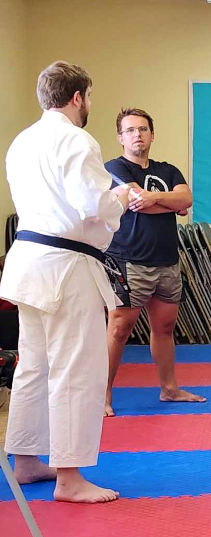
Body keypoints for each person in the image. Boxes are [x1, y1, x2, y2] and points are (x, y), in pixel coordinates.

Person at [1, 61, 131, 503]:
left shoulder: (22, 142)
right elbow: (91, 204)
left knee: (33, 366)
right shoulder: (75, 138)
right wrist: (120, 197)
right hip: (65, 266)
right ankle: (70, 478)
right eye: (89, 97)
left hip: (28, 263)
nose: (89, 105)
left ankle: (26, 460)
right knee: (76, 369)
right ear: (77, 98)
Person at [104, 107, 201, 417]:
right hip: (129, 259)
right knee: (120, 329)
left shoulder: (168, 170)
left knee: (165, 326)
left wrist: (154, 199)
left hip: (166, 260)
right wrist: (167, 202)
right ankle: (102, 396)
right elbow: (135, 203)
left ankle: (169, 389)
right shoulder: (113, 168)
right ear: (120, 137)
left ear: (152, 134)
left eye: (143, 129)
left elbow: (185, 199)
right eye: (130, 130)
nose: (138, 134)